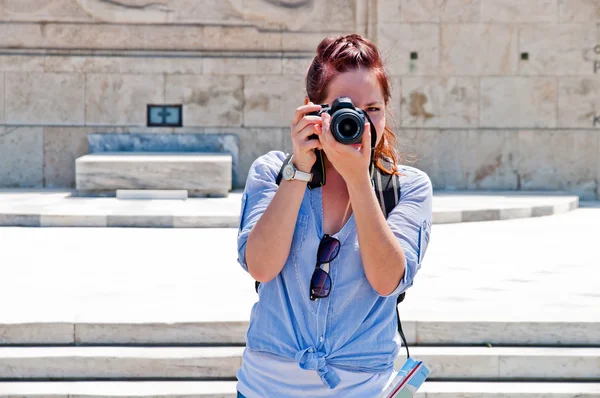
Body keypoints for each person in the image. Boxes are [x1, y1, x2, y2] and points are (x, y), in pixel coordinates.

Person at [235, 33, 433, 397]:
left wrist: (360, 181)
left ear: (386, 110)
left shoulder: (408, 187)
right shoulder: (272, 173)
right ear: (314, 111)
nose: (358, 121)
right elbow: (261, 266)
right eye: (345, 107)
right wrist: (298, 171)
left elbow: (388, 280)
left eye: (372, 109)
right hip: (266, 388)